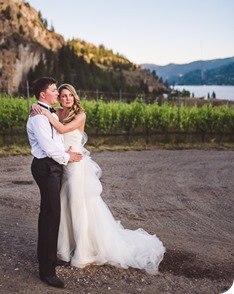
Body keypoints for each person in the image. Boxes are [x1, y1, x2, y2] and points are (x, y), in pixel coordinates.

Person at [31, 83, 166, 275]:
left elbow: (61, 130)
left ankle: (84, 251)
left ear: (75, 97)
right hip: (61, 164)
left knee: (78, 207)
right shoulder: (56, 112)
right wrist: (36, 108)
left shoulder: (80, 115)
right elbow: (45, 113)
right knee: (63, 207)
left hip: (76, 166)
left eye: (70, 95)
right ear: (59, 98)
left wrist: (44, 113)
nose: (66, 98)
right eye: (62, 95)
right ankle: (64, 250)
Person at [26, 77, 83, 289]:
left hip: (54, 165)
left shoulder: (46, 112)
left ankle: (48, 258)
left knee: (52, 213)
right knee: (51, 215)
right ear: (43, 95)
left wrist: (64, 153)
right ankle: (47, 271)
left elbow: (57, 139)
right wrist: (67, 158)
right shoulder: (39, 117)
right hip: (47, 167)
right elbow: (49, 148)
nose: (57, 94)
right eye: (53, 90)